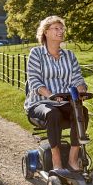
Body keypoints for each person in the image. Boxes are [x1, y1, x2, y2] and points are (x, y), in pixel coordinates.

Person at [24, 15, 88, 171]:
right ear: (45, 32)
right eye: (56, 28)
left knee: (82, 112)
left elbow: (78, 80)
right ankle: (56, 160)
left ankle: (73, 159)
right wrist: (51, 95)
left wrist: (81, 92)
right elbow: (34, 81)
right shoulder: (36, 54)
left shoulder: (69, 56)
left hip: (65, 102)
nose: (61, 31)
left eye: (62, 28)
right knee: (53, 113)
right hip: (40, 103)